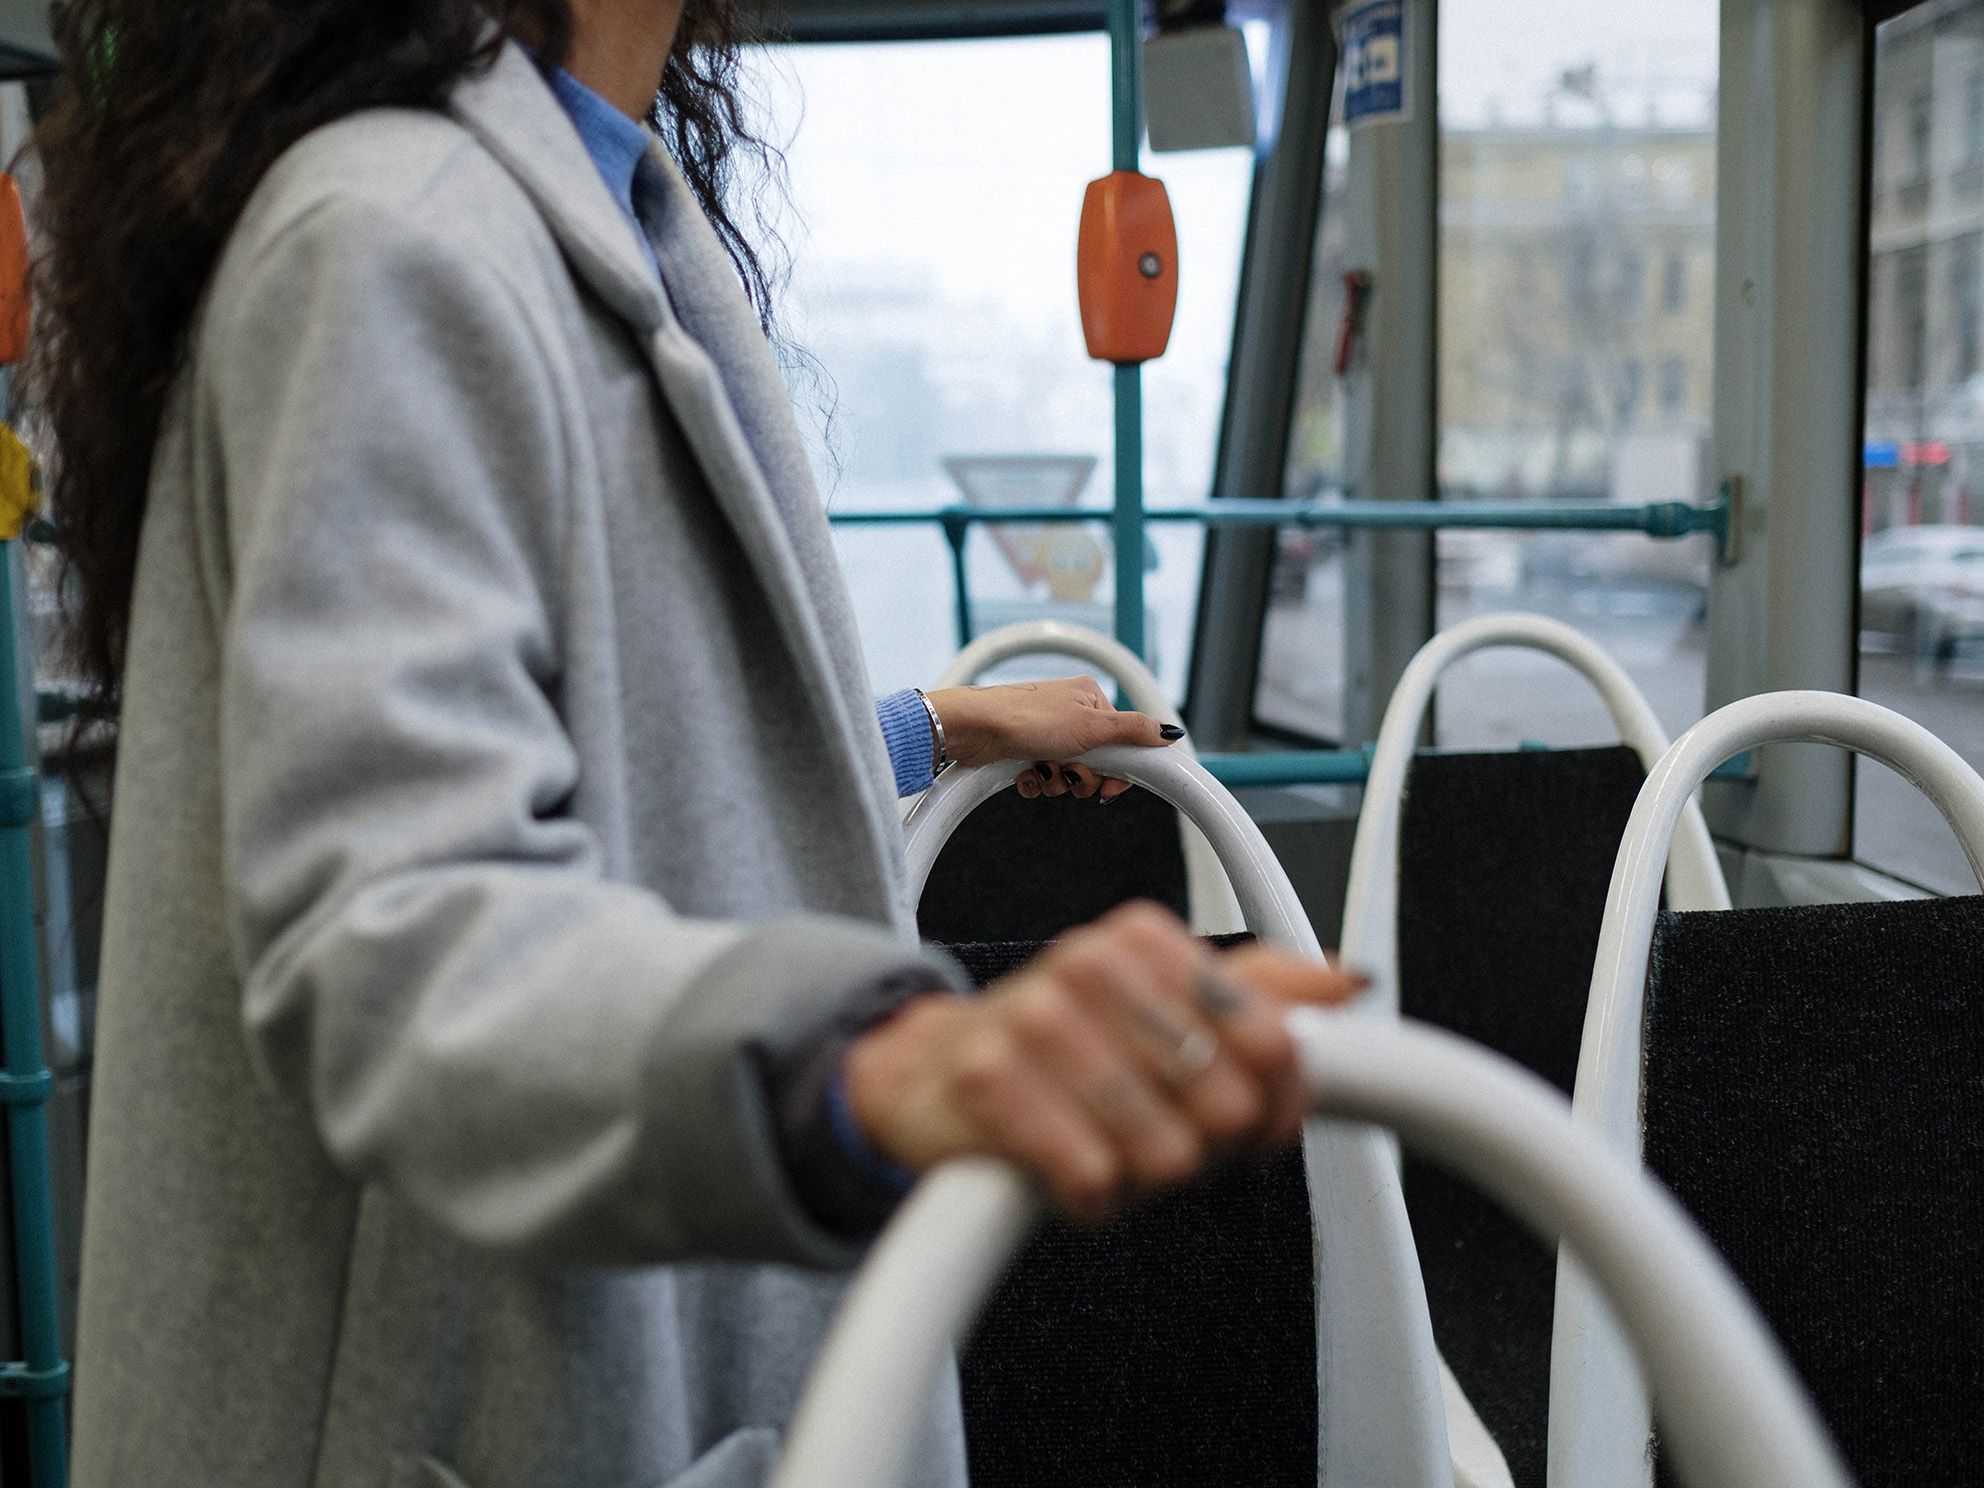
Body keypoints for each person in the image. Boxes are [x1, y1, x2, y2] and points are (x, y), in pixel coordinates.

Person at [31, 3, 1361, 1486]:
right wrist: (873, 1061)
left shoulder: (600, 204)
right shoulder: (388, 241)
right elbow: (397, 935)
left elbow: (596, 755)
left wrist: (931, 728)